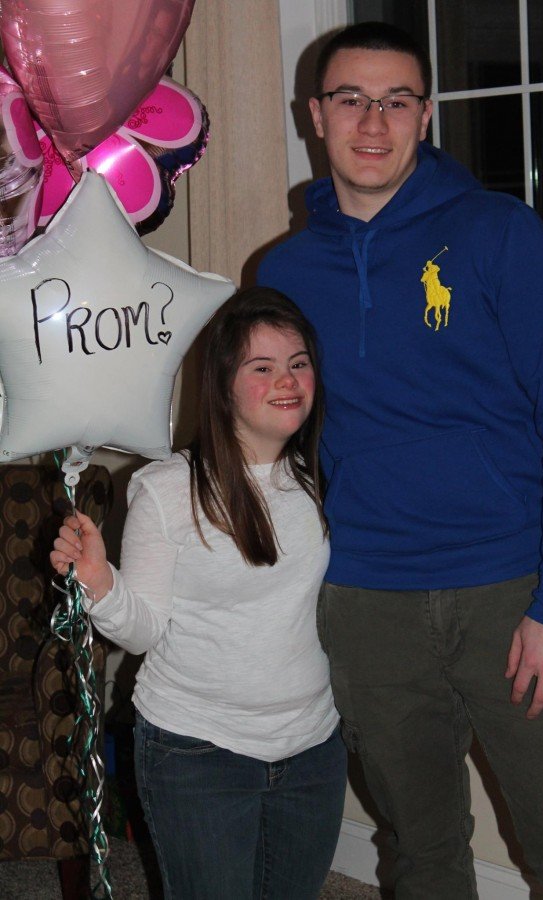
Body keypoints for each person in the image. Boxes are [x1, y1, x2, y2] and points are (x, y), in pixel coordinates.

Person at [257, 21, 543, 899]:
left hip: (511, 595)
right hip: (367, 603)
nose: (373, 122)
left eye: (396, 101)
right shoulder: (285, 272)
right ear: (315, 115)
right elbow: (266, 435)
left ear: (426, 114)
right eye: (351, 100)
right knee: (421, 854)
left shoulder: (498, 232)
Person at [50, 288, 346, 900]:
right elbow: (142, 631)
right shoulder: (167, 489)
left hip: (313, 745)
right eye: (262, 367)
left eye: (298, 363)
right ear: (223, 385)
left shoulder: (316, 474)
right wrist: (101, 583)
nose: (287, 380)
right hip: (198, 752)